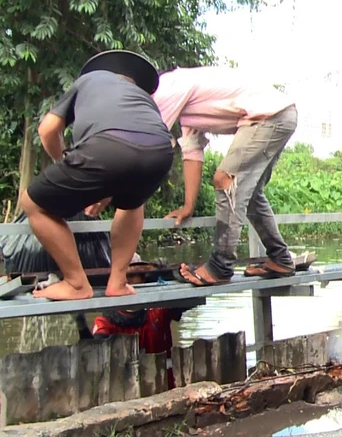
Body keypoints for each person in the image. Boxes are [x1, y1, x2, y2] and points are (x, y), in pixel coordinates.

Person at [19, 50, 174, 301]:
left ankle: (76, 284)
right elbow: (130, 152)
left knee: (32, 203)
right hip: (160, 151)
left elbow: (47, 130)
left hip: (106, 146)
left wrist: (64, 164)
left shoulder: (88, 80)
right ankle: (118, 282)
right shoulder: (143, 99)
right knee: (132, 203)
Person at [151, 66, 298, 286]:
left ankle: (220, 266)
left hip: (269, 117)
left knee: (225, 179)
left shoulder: (164, 90)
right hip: (280, 115)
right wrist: (188, 205)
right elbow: (192, 152)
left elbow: (146, 143)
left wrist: (109, 192)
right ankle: (281, 258)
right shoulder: (184, 101)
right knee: (249, 192)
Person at [92, 305, 191, 389]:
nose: (129, 286)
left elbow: (187, 302)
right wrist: (82, 326)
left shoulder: (158, 312)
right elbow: (94, 348)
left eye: (132, 282)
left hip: (162, 385)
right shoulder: (106, 322)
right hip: (123, 390)